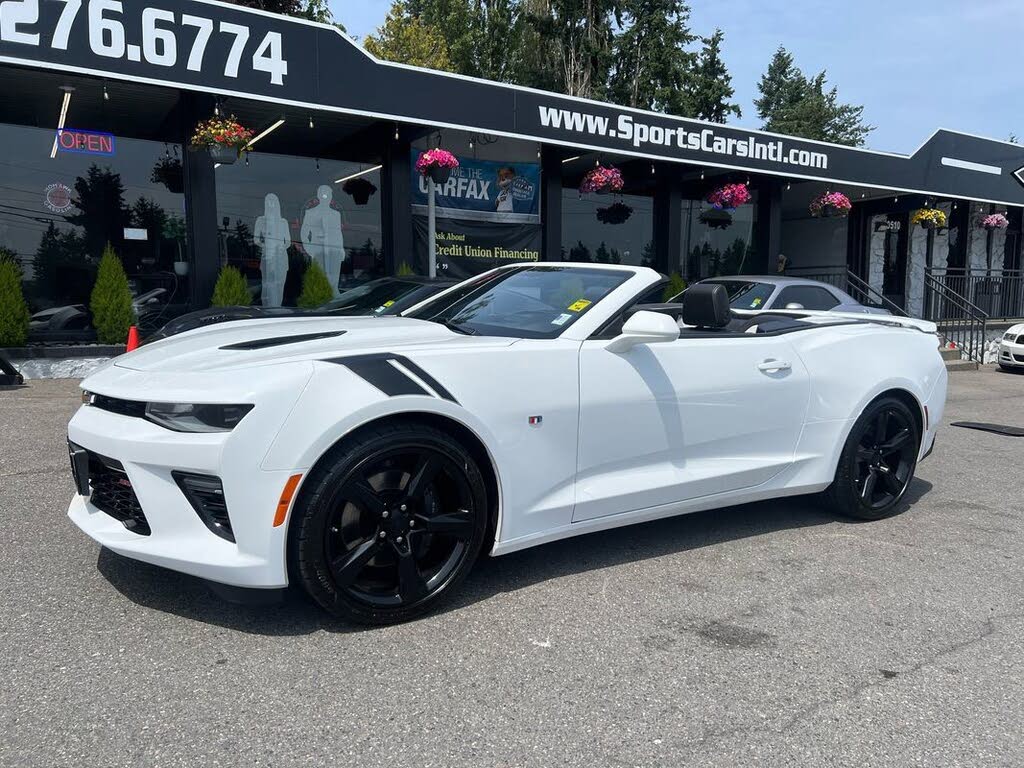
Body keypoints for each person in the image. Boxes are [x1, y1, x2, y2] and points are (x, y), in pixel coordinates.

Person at [301, 185, 345, 297]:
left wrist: (341, 249)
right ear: (319, 196)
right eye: (324, 194)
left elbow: (338, 233)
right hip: (318, 250)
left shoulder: (336, 214)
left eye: (329, 194)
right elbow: (304, 233)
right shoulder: (311, 213)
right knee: (320, 278)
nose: (326, 197)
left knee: (333, 280)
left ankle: (335, 302)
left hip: (334, 250)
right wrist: (310, 249)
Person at [253, 193, 290, 307]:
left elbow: (287, 242)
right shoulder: (261, 220)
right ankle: (268, 308)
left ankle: (277, 307)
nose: (271, 204)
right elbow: (256, 240)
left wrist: (280, 247)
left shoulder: (283, 222)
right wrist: (266, 245)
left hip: (281, 257)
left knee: (279, 284)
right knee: (268, 284)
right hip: (267, 257)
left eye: (273, 201)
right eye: (268, 201)